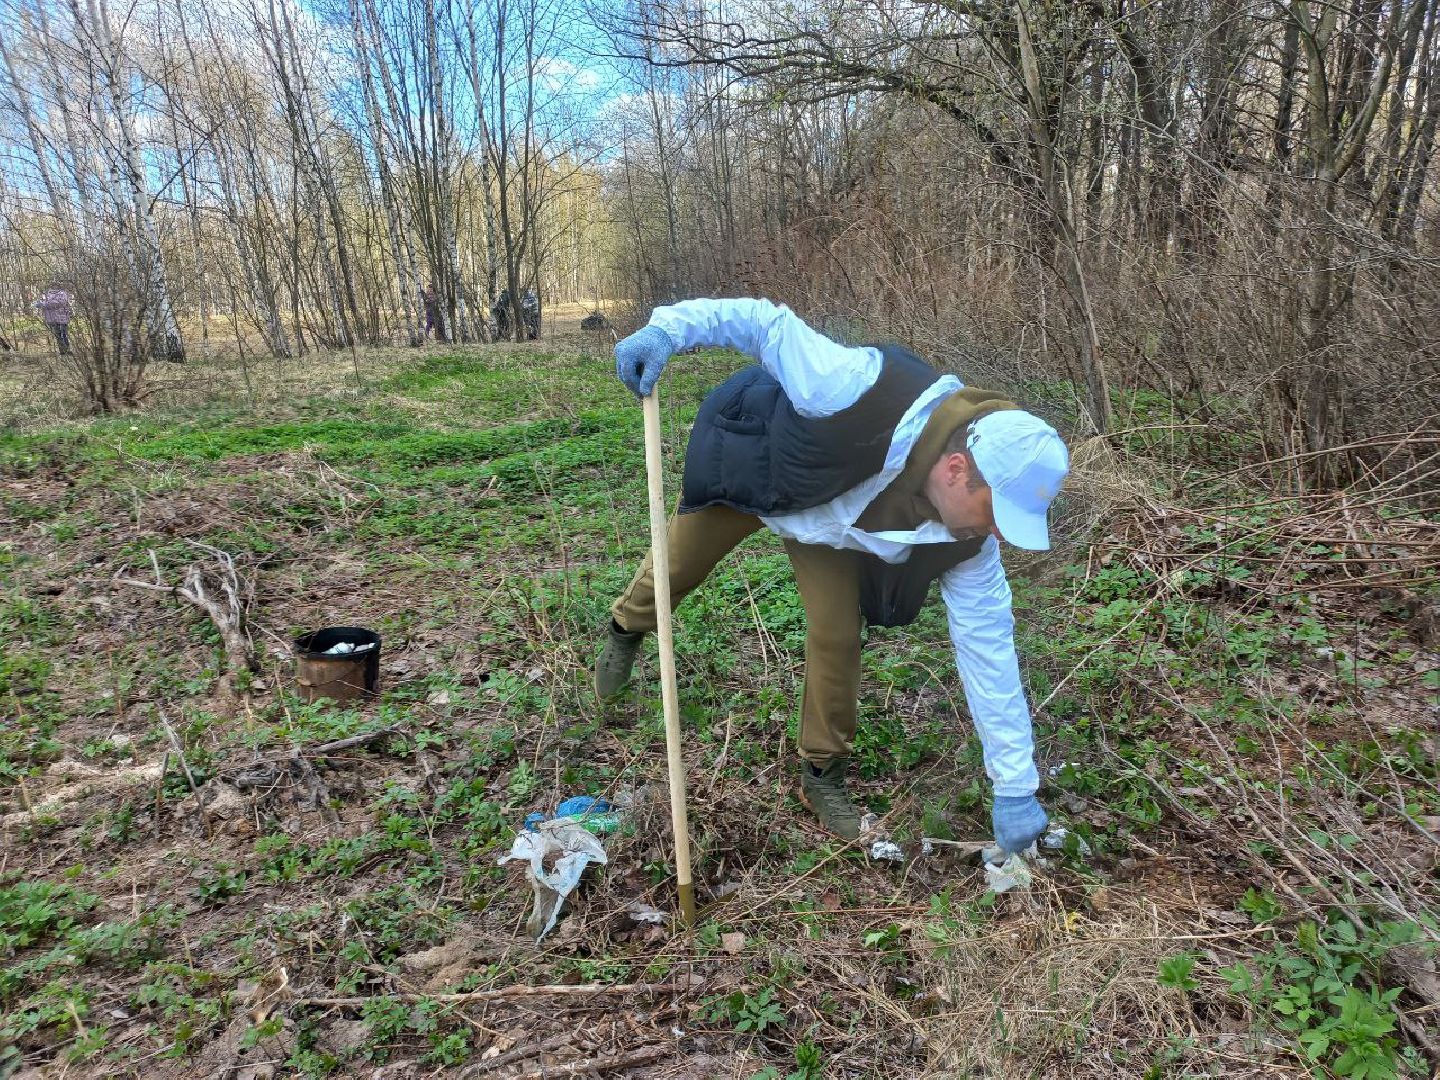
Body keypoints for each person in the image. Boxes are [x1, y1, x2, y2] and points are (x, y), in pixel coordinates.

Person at [595, 298, 1069, 859]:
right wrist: (667, 330)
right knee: (678, 568)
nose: (997, 534)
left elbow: (989, 650)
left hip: (830, 528)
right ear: (957, 469)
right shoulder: (854, 386)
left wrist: (1015, 787)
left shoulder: (968, 543)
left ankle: (820, 772)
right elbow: (765, 324)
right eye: (995, 512)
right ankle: (626, 627)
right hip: (761, 469)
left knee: (837, 633)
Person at [33, 283, 74, 356]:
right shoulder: (46, 295)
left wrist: (44, 304)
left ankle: (67, 350)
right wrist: (39, 304)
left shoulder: (62, 293)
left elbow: (59, 303)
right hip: (52, 318)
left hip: (62, 318)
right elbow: (40, 303)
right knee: (58, 335)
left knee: (63, 334)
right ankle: (63, 351)